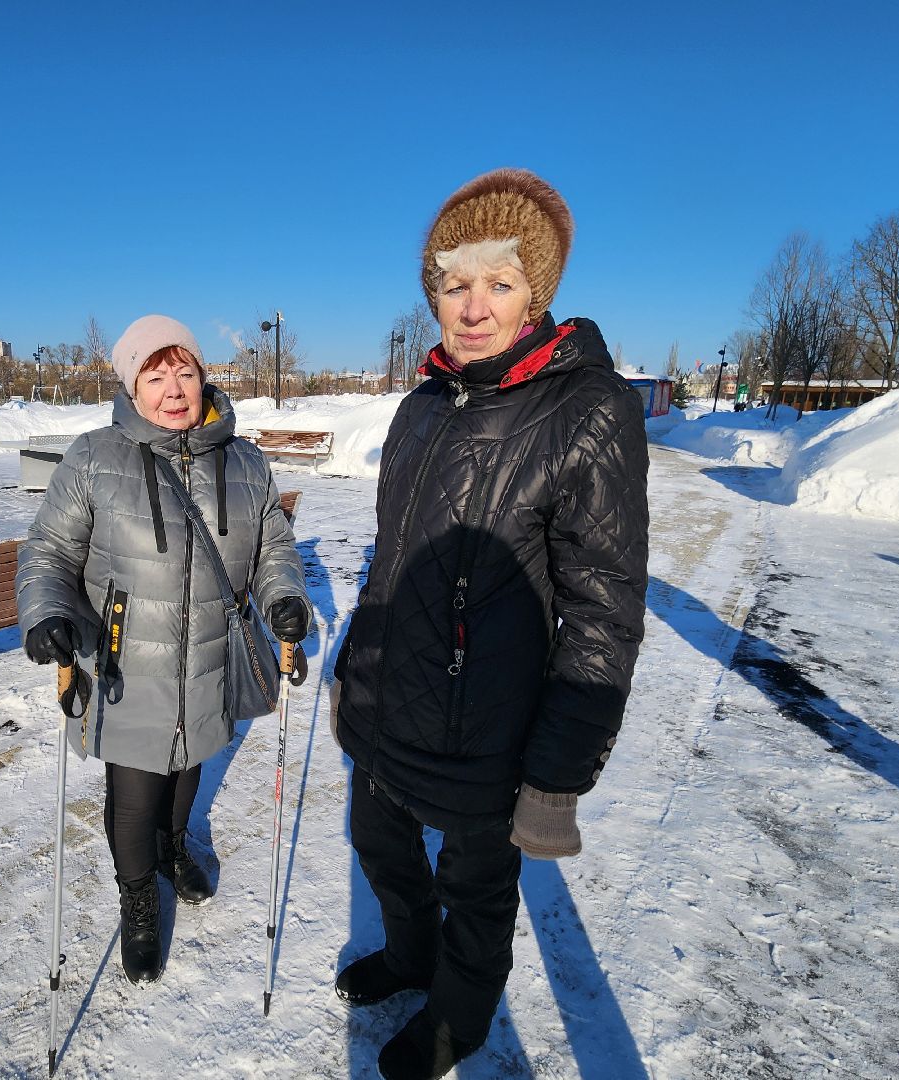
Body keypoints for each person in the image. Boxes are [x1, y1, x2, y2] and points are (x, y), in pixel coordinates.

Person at [331, 168, 649, 1079]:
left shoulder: (588, 410)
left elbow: (603, 610)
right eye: (453, 283)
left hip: (487, 733)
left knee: (475, 891)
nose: (472, 307)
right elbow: (391, 559)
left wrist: (556, 778)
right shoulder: (420, 406)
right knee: (381, 847)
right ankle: (405, 956)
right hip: (387, 706)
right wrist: (358, 672)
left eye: (498, 283)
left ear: (535, 295)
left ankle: (459, 1019)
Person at [17, 315, 311, 985]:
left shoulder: (244, 460)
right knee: (135, 790)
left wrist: (284, 596)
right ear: (132, 385)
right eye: (155, 375)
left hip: (207, 654)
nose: (173, 389)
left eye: (185, 371)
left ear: (203, 377)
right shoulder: (94, 457)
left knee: (190, 763)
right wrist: (48, 612)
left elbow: (273, 548)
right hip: (126, 663)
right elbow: (49, 552)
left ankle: (174, 849)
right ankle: (139, 896)